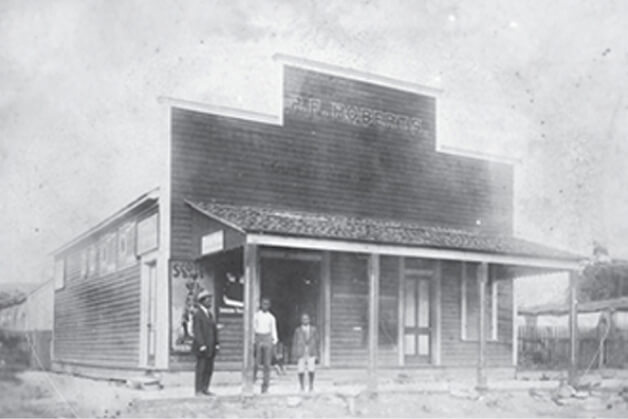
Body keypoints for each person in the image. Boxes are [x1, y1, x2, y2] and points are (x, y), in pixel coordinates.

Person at [192, 289, 219, 396]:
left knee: (209, 368)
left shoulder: (210, 314)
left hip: (211, 347)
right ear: (202, 301)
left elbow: (214, 330)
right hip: (202, 347)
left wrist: (217, 343)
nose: (210, 302)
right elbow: (197, 331)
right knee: (201, 368)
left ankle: (205, 388)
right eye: (208, 300)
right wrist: (202, 344)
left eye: (210, 300)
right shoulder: (198, 314)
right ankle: (198, 390)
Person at [253, 297, 278, 393]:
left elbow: (273, 329)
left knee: (267, 364)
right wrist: (254, 340)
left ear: (269, 306)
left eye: (267, 304)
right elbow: (253, 328)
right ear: (260, 304)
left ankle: (265, 386)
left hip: (267, 337)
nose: (265, 306)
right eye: (263, 303)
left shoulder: (271, 317)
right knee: (256, 362)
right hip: (259, 337)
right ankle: (252, 381)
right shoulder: (256, 316)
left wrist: (274, 340)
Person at [292, 313, 319, 392]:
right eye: (303, 319)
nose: (305, 320)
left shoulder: (313, 329)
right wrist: (295, 353)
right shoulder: (298, 330)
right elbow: (295, 342)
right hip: (301, 351)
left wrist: (317, 353)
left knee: (311, 369)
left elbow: (317, 341)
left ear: (309, 320)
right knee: (301, 369)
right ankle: (302, 386)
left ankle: (311, 386)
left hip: (311, 350)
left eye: (306, 319)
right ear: (301, 320)